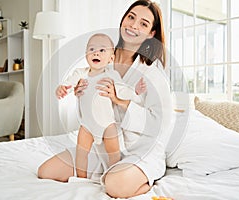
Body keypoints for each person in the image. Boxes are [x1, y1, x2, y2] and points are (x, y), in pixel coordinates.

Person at [37, 0, 173, 198]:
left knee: (115, 186)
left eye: (143, 24)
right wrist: (81, 91)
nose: (134, 25)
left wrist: (121, 101)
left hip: (141, 151)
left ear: (151, 34)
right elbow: (95, 102)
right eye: (131, 17)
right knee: (46, 171)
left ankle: (141, 182)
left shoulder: (153, 72)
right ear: (123, 19)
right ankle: (110, 172)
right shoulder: (104, 54)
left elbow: (160, 123)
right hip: (103, 146)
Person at [55, 33, 146, 179]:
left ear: (111, 58)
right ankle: (81, 179)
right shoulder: (81, 73)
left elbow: (122, 90)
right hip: (87, 126)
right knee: (81, 152)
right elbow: (69, 83)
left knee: (113, 154)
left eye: (102, 50)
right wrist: (62, 88)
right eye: (91, 49)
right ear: (86, 54)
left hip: (107, 125)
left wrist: (135, 92)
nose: (96, 52)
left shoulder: (111, 75)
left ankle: (112, 176)